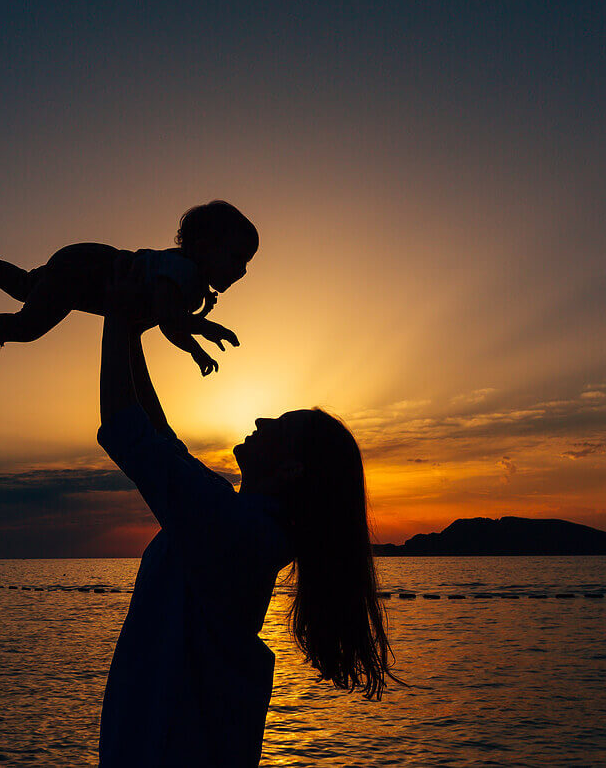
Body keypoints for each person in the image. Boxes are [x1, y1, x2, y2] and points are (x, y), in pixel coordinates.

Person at [96, 265, 396, 767]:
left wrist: (114, 313)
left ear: (292, 467)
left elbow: (128, 428)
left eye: (279, 425)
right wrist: (131, 330)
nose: (261, 420)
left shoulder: (233, 529)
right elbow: (157, 431)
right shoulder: (235, 518)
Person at [0, 200, 257, 384]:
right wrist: (204, 330)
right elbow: (170, 316)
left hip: (84, 260)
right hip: (86, 270)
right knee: (28, 325)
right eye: (237, 258)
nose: (241, 270)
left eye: (246, 263)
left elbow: (170, 324)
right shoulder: (184, 272)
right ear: (204, 246)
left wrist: (195, 350)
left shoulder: (187, 280)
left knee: (26, 287)